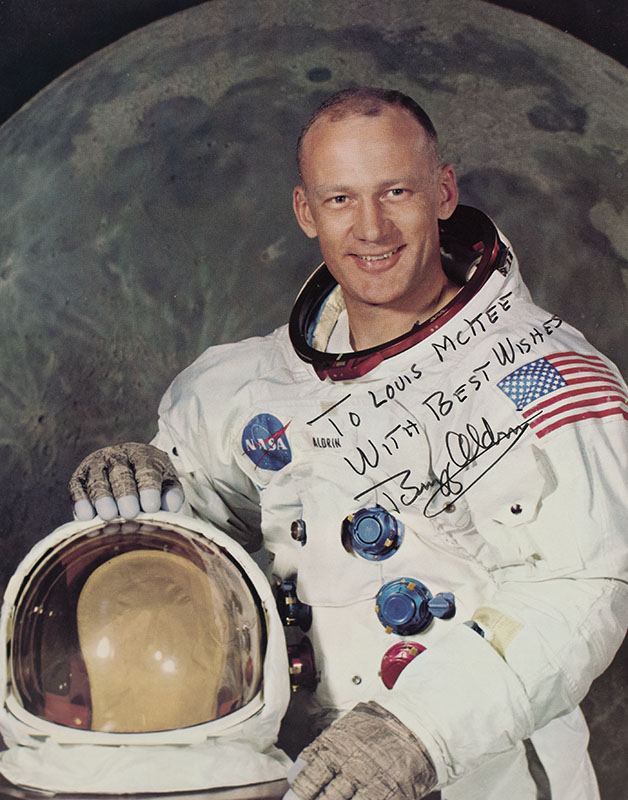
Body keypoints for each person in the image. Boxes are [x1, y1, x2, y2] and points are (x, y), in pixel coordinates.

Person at [68, 87, 628, 800]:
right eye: (340, 199)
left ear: (443, 193)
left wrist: (419, 731)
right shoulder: (257, 385)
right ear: (306, 212)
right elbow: (199, 539)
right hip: (309, 768)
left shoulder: (539, 376)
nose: (371, 227)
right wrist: (147, 487)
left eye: (396, 191)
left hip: (487, 771)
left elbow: (582, 590)